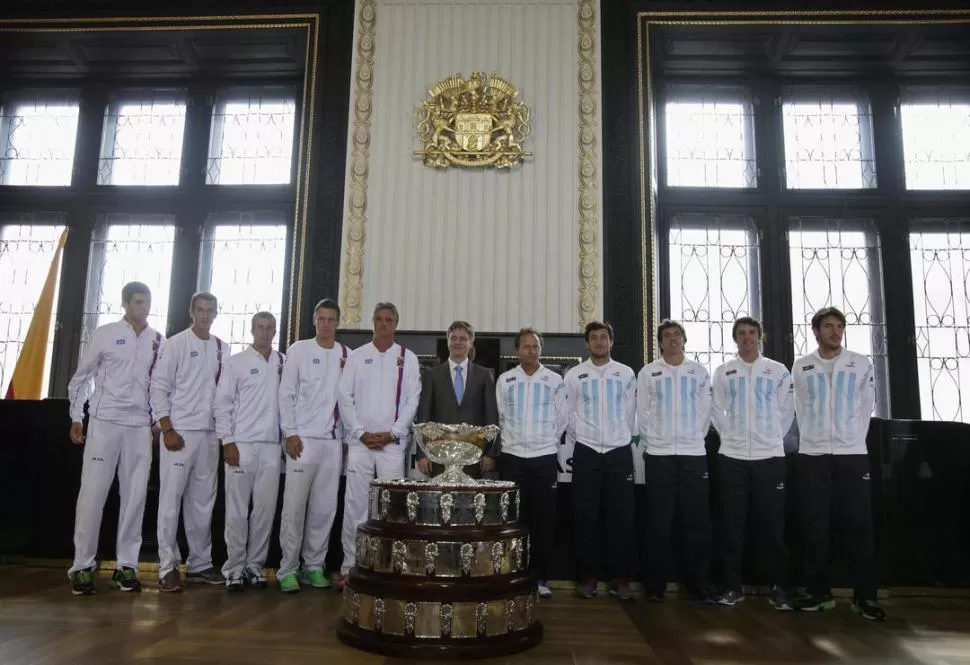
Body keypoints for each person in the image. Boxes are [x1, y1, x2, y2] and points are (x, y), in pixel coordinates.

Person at [66, 282, 163, 595]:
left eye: (147, 302)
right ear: (125, 304)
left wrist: (159, 421)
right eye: (137, 302)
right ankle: (82, 567)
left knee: (136, 497)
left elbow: (160, 387)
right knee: (93, 494)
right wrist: (76, 417)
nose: (143, 307)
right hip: (105, 423)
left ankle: (127, 567)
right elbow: (82, 377)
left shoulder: (157, 341)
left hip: (139, 427)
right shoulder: (106, 333)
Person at [792, 306, 886, 621]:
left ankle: (865, 597)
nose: (835, 332)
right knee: (814, 527)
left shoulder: (860, 363)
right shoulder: (802, 365)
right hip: (813, 455)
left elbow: (865, 406)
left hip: (852, 455)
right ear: (816, 331)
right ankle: (819, 594)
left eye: (839, 326)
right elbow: (801, 407)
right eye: (828, 326)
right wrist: (814, 440)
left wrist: (850, 440)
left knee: (859, 527)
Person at [711, 317, 794, 610]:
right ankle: (732, 587)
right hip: (731, 458)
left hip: (769, 458)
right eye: (742, 333)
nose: (747, 337)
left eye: (752, 333)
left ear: (761, 336)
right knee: (731, 525)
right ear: (735, 339)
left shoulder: (778, 371)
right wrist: (731, 435)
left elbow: (786, 411)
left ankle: (778, 587)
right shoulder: (724, 372)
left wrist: (770, 437)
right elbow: (716, 410)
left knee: (772, 526)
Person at [336, 302, 421, 588]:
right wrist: (360, 432)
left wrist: (393, 433)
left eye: (389, 320)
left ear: (396, 324)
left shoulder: (407, 358)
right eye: (379, 319)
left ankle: (391, 566)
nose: (383, 324)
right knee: (356, 507)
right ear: (372, 322)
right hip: (361, 444)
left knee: (392, 508)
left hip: (392, 446)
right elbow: (344, 397)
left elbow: (412, 400)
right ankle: (350, 566)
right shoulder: (358, 356)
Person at [150, 292, 226, 591]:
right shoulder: (176, 344)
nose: (205, 315)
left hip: (209, 435)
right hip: (179, 434)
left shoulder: (222, 348)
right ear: (191, 311)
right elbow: (158, 387)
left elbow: (224, 395)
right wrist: (167, 428)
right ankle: (167, 567)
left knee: (203, 502)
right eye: (200, 310)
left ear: (216, 313)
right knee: (170, 502)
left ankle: (200, 564)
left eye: (210, 310)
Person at [636, 319, 715, 603]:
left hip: (693, 455)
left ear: (684, 339)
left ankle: (698, 584)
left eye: (677, 335)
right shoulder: (648, 372)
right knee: (658, 523)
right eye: (667, 335)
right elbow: (642, 413)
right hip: (659, 456)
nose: (672, 339)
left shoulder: (699, 372)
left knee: (696, 524)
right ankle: (655, 586)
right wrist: (656, 441)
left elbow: (706, 412)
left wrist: (694, 438)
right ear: (659, 342)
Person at [277, 298, 350, 593]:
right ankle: (287, 569)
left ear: (338, 322)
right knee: (294, 508)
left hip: (332, 443)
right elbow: (286, 393)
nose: (327, 324)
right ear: (314, 320)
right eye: (322, 319)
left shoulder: (347, 354)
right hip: (302, 441)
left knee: (324, 509)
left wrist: (345, 439)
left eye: (332, 319)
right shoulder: (298, 350)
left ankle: (314, 566)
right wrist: (290, 432)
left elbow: (349, 400)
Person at [565, 321, 637, 601]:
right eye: (593, 338)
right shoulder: (574, 375)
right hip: (586, 451)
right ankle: (587, 578)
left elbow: (630, 412)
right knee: (585, 517)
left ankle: (620, 579)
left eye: (603, 337)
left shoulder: (626, 373)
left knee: (621, 518)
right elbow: (569, 414)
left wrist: (618, 436)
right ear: (587, 344)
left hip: (619, 452)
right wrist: (585, 435)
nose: (598, 342)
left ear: (611, 342)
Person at [214, 312, 284, 592]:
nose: (265, 333)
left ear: (275, 332)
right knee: (237, 510)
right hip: (241, 445)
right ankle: (233, 568)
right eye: (261, 328)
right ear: (252, 330)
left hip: (272, 447)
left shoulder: (283, 363)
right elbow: (222, 404)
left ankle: (254, 566)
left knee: (265, 510)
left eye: (270, 328)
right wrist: (227, 441)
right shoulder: (237, 363)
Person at [497, 328, 566, 599]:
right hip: (513, 457)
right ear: (517, 350)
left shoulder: (554, 379)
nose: (530, 350)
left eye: (535, 346)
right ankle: (513, 576)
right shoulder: (505, 380)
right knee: (514, 519)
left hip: (544, 458)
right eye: (525, 346)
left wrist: (546, 441)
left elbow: (562, 419)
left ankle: (539, 578)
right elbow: (501, 417)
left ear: (541, 349)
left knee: (543, 520)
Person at [416, 320, 498, 478]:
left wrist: (490, 454)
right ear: (447, 342)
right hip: (439, 456)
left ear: (471, 343)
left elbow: (491, 416)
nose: (458, 342)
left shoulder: (484, 375)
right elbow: (424, 416)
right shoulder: (432, 375)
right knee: (442, 501)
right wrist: (422, 454)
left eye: (463, 339)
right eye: (453, 338)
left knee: (471, 502)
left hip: (474, 456)